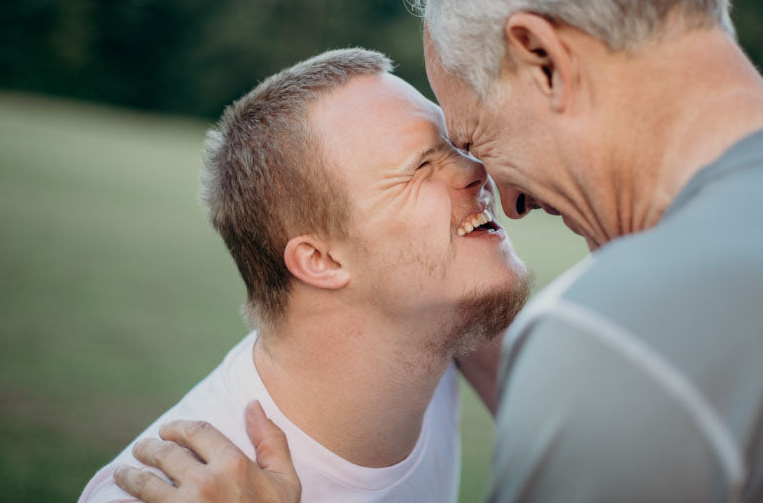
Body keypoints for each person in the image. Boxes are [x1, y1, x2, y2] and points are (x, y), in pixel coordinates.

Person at [119, 0, 763, 501]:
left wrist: (591, 348)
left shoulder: (620, 340)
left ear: (544, 60)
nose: (506, 199)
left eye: (476, 137)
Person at [82, 47, 530, 503]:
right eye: (420, 166)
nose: (477, 169)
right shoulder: (171, 490)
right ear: (321, 260)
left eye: (456, 145)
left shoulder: (440, 325)